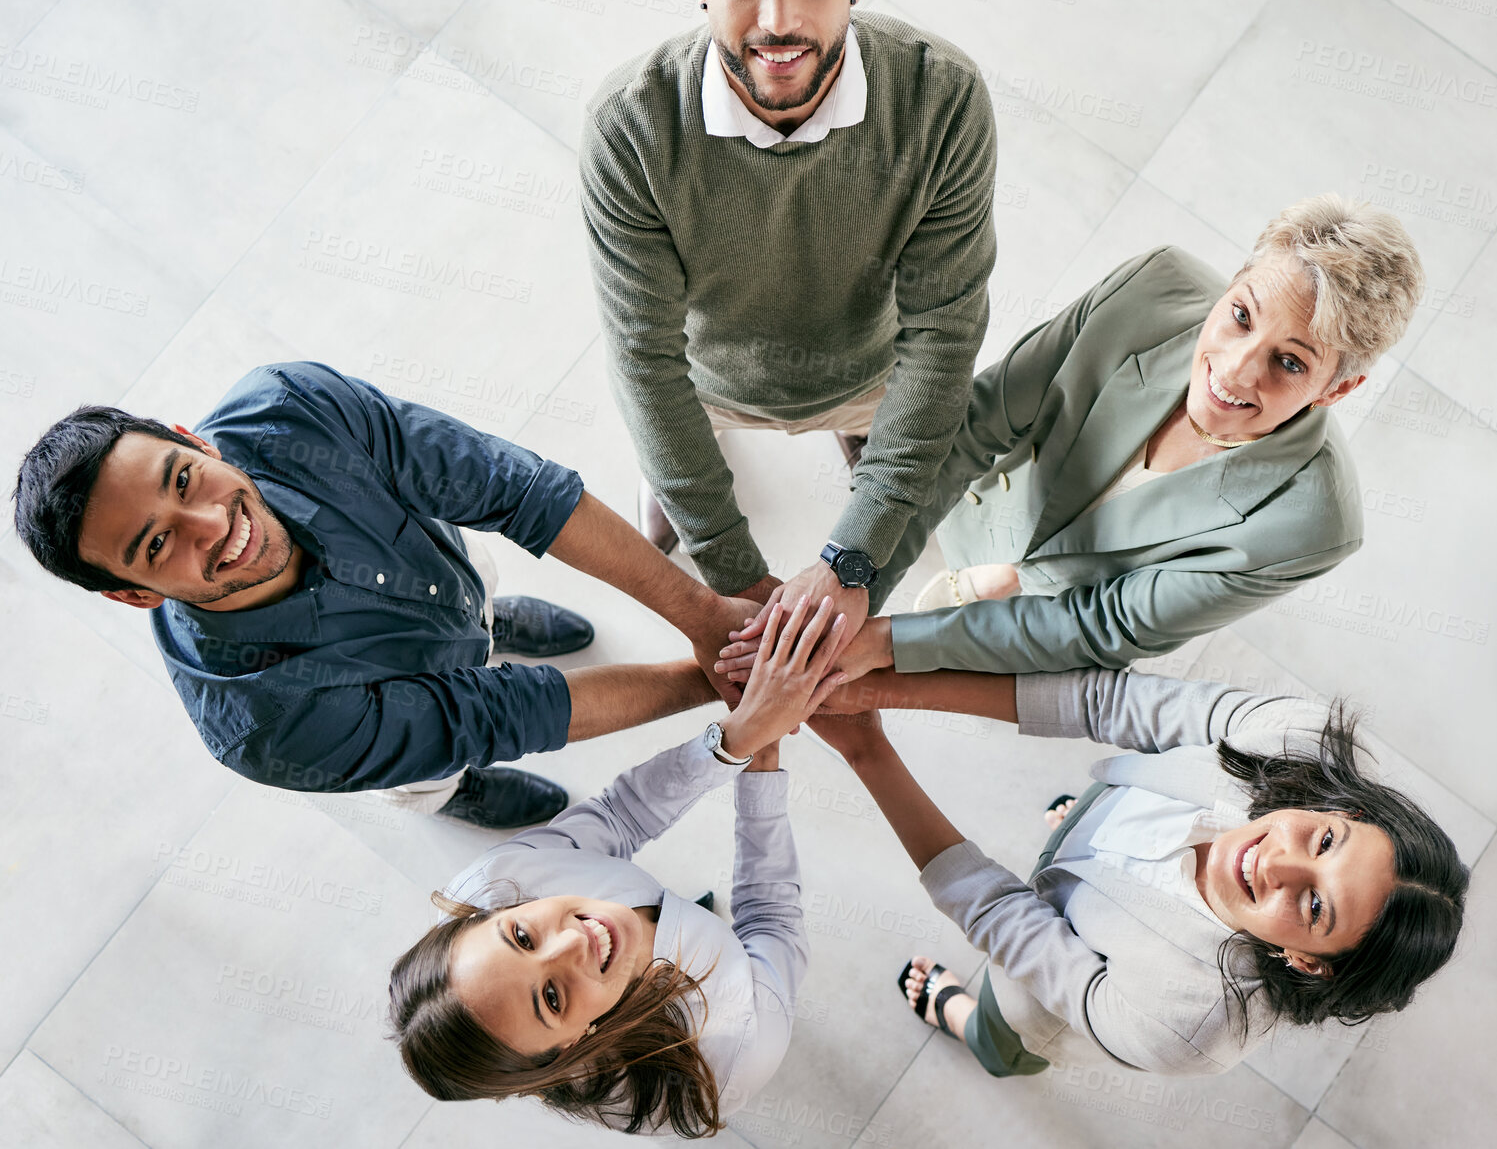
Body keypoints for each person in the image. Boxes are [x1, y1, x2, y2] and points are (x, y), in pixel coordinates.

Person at [12, 361, 761, 827]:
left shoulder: (290, 408)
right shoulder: (270, 725)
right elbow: (505, 711)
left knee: (480, 603)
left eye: (183, 478)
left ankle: (489, 625)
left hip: (448, 574)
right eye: (156, 545)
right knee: (430, 772)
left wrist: (705, 617)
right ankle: (458, 794)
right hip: (383, 728)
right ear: (135, 596)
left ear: (193, 439)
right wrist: (720, 678)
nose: (212, 523)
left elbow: (517, 493)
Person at [582, 0, 997, 665]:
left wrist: (855, 551)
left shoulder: (941, 99)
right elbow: (643, 358)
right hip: (707, 379)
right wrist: (728, 562)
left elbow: (943, 336)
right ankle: (683, 489)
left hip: (869, 370)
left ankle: (858, 446)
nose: (779, 21)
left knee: (881, 438)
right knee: (673, 438)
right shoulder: (629, 124)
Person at [722, 194, 1424, 685]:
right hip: (982, 511)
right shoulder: (1149, 288)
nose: (1235, 369)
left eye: (1291, 361)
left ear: (1336, 390)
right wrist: (857, 575)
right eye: (1239, 315)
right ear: (1231, 283)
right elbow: (978, 424)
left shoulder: (1311, 528)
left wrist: (884, 644)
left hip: (1050, 615)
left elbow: (1099, 626)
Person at [809, 665, 1467, 1078]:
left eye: (1314, 907)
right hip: (1102, 825)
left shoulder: (1182, 1027)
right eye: (1325, 838)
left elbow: (994, 909)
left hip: (1039, 1005)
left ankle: (965, 1025)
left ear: (1306, 961)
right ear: (1345, 808)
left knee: (1003, 1027)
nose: (1275, 860)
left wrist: (868, 748)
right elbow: (1111, 699)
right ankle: (1088, 842)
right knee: (1086, 828)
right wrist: (884, 685)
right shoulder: (1305, 742)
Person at [389, 594, 849, 1136]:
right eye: (552, 998)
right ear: (571, 1047)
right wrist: (764, 763)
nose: (574, 942)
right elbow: (770, 918)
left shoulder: (496, 881)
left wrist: (740, 736)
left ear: (487, 914)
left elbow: (622, 815)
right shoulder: (736, 1047)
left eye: (521, 936)